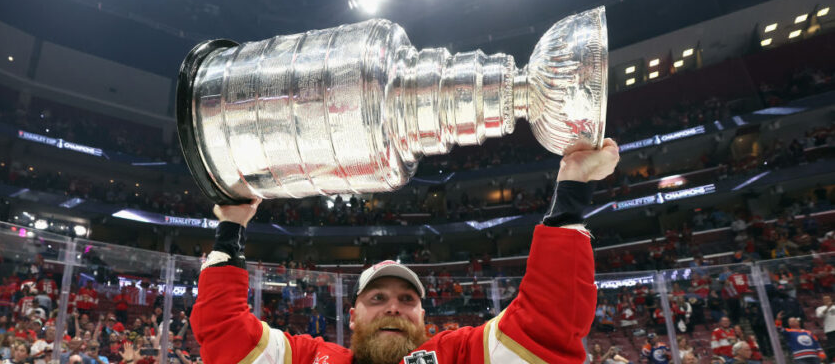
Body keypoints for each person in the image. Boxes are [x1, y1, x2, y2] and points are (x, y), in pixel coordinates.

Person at [190, 139, 620, 364]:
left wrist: (572, 188)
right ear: (352, 315)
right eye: (377, 298)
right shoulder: (309, 359)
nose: (393, 308)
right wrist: (231, 225)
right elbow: (225, 333)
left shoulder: (457, 356)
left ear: (423, 319)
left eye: (406, 300)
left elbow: (548, 324)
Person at [815, 295, 835, 359]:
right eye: (825, 299)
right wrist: (828, 308)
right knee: (833, 346)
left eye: (828, 299)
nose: (827, 300)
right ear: (823, 301)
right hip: (830, 330)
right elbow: (819, 316)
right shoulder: (820, 308)